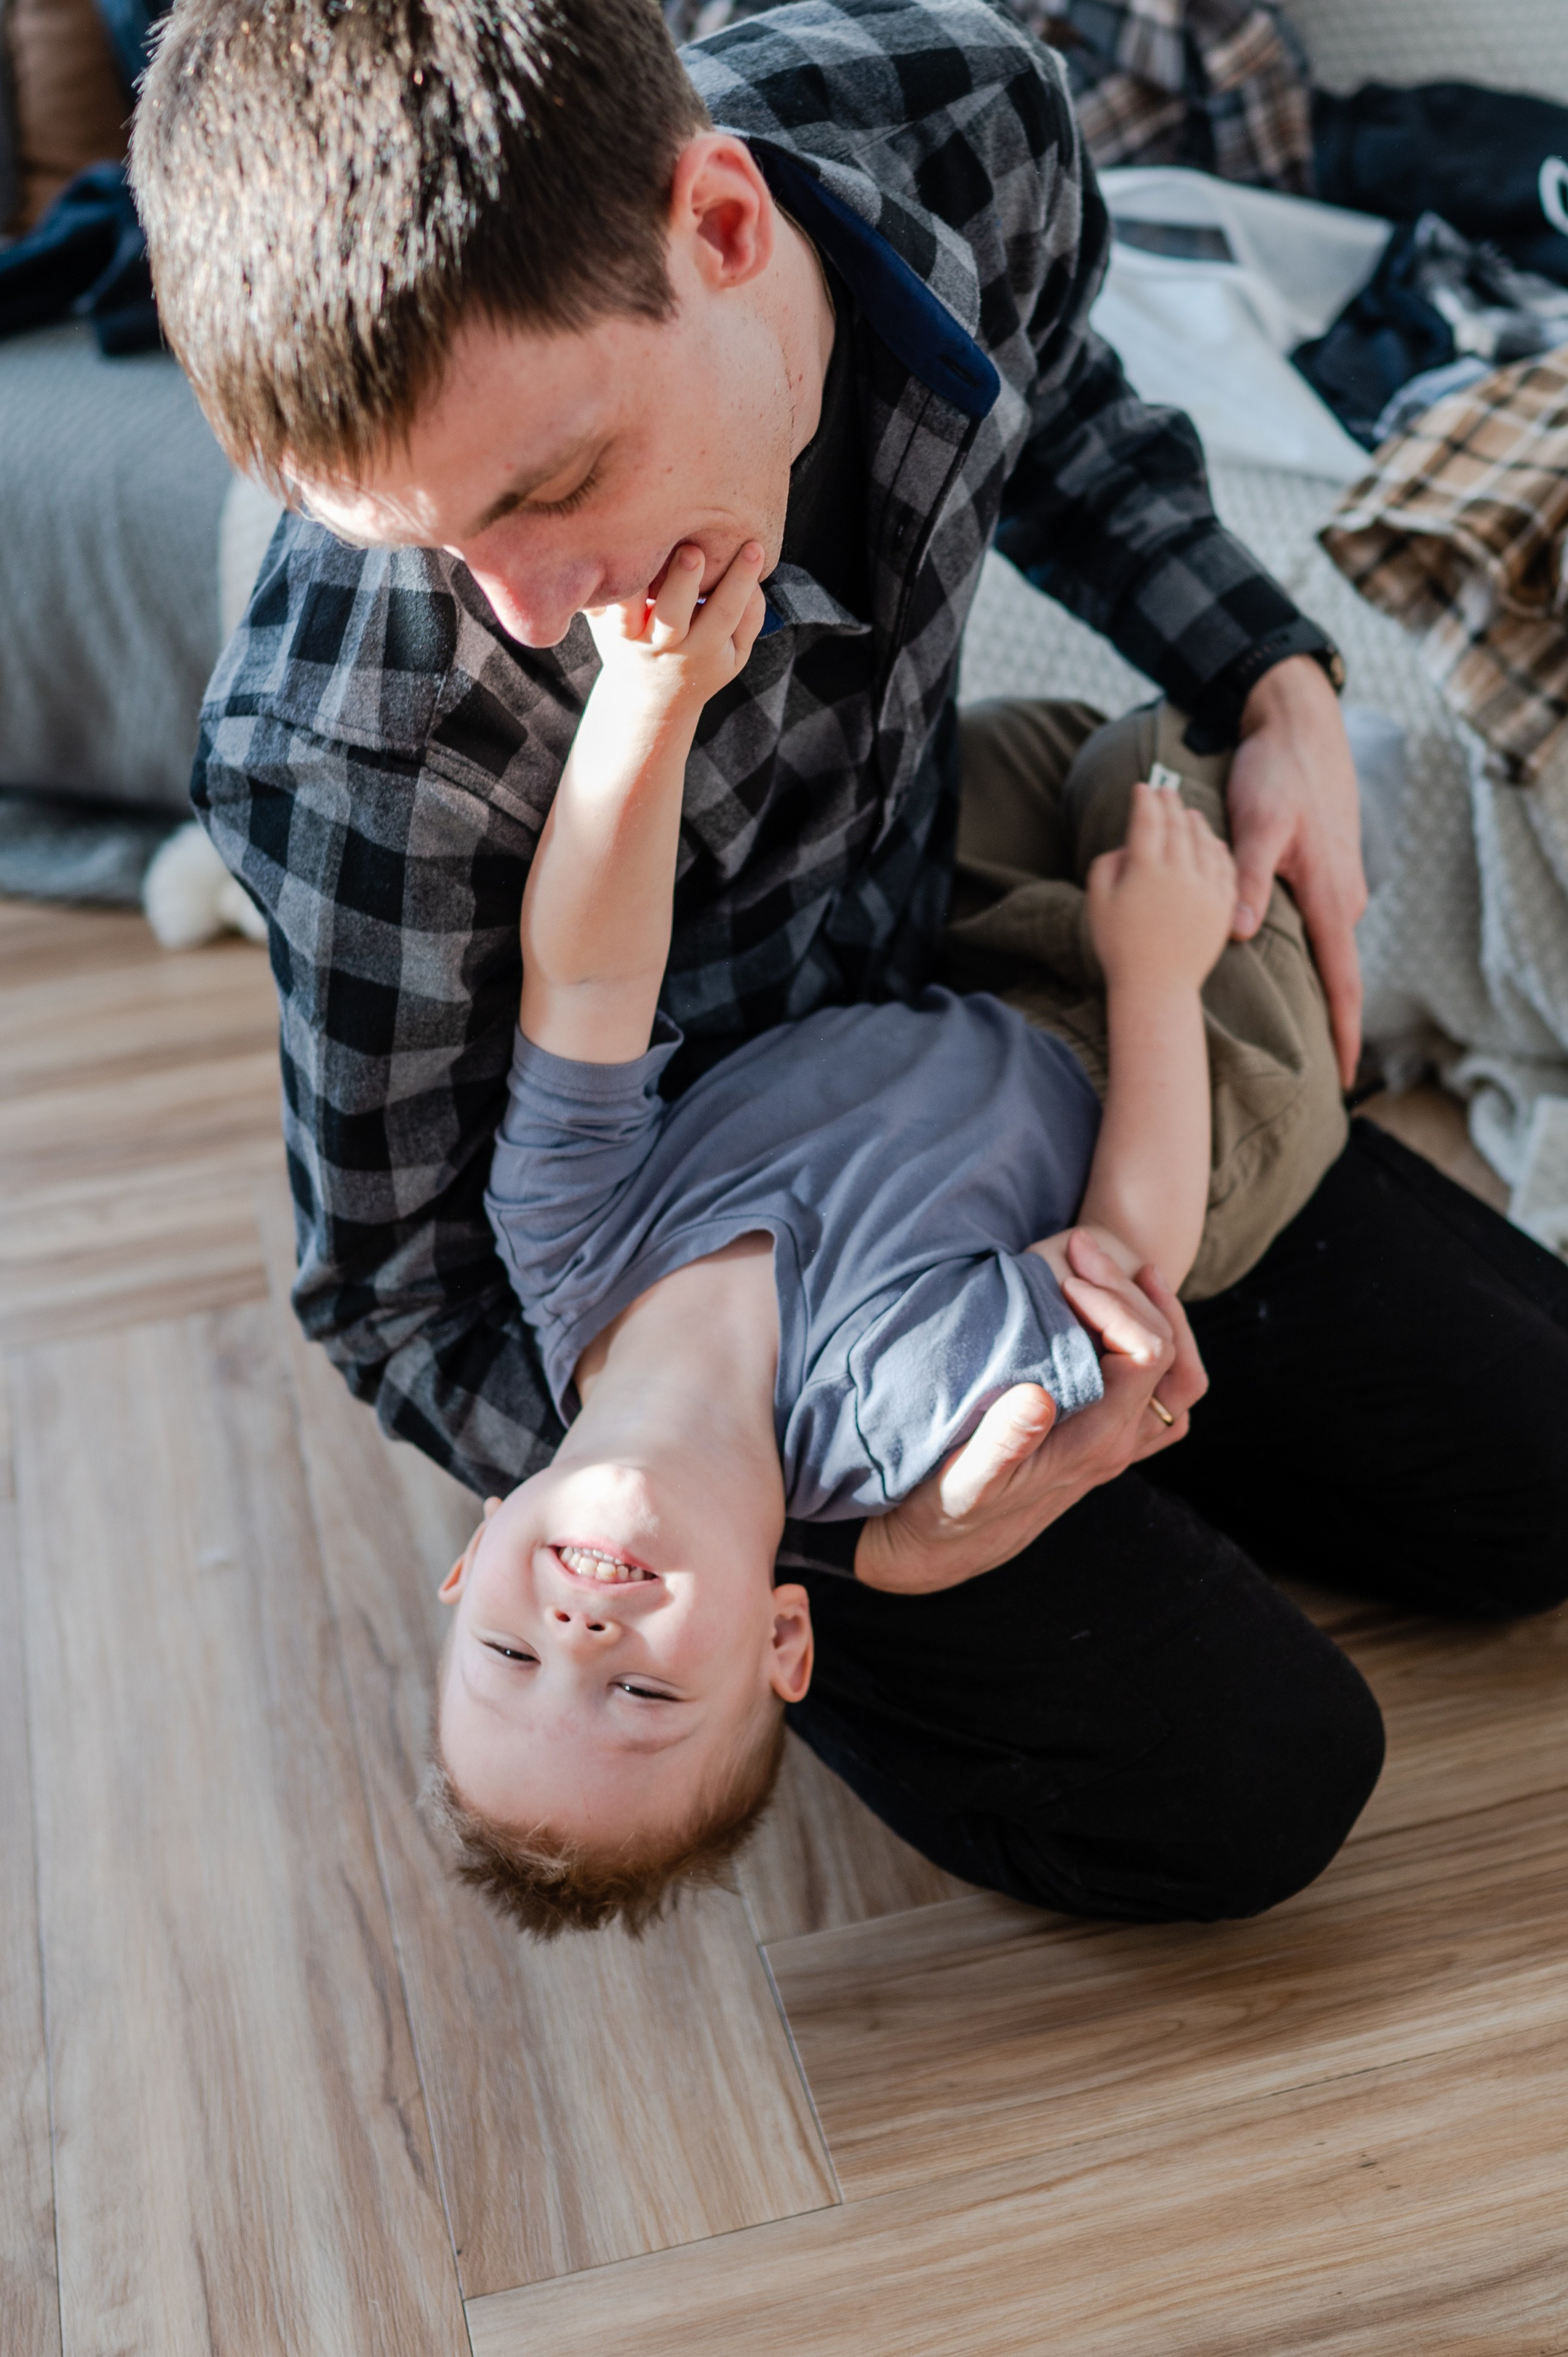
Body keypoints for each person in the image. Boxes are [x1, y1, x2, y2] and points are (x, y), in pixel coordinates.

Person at [130, 0, 1568, 1930]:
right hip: (838, 1365)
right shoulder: (356, 745)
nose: (530, 616)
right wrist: (854, 1529)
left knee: (1536, 1478)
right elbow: (396, 1298)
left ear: (723, 225)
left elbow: (1065, 413)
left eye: (546, 489)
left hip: (957, 1007)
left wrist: (1268, 668)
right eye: (428, 546)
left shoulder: (962, 119)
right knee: (1252, 1781)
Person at [435, 533, 1336, 1934]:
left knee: (1066, 761)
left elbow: (590, 969)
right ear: (784, 1638)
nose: (580, 1638)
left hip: (978, 980)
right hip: (1161, 1081)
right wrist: (1153, 971)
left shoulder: (561, 1234)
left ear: (470, 1555)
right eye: (644, 1693)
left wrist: (647, 702)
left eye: (506, 1650)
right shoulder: (886, 1420)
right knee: (1178, 791)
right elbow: (1126, 1261)